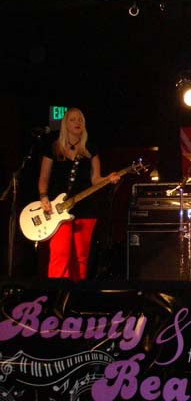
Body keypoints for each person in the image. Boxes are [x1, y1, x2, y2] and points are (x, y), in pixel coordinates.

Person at [38, 108, 120, 281]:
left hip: (85, 208)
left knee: (81, 258)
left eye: (80, 120)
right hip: (59, 209)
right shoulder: (54, 147)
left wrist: (108, 179)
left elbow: (95, 179)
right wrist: (43, 196)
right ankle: (57, 293)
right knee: (60, 254)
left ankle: (75, 294)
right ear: (65, 124)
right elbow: (44, 178)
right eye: (73, 120)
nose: (77, 123)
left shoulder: (90, 148)